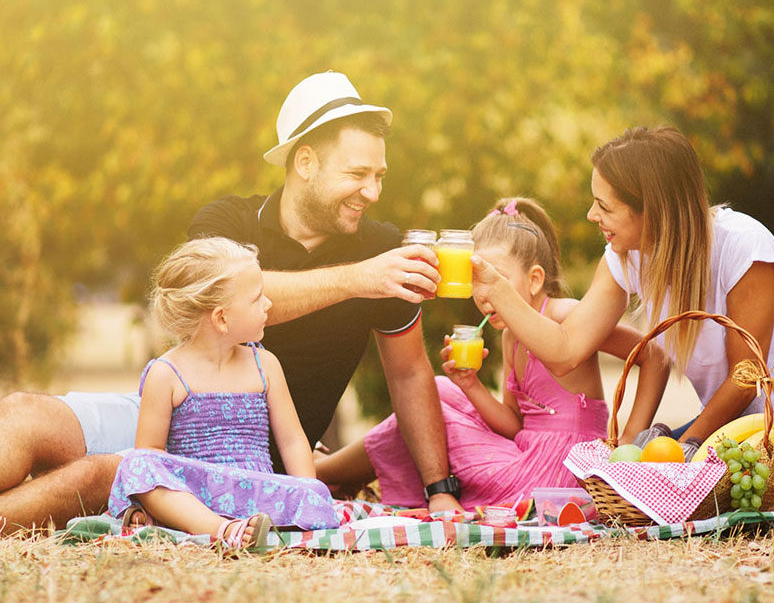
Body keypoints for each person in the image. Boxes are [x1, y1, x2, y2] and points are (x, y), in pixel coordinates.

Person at [0, 71, 459, 535]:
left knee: (98, 475)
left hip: (248, 455)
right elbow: (220, 297)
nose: (373, 192)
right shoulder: (228, 223)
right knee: (24, 412)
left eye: (378, 176)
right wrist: (359, 279)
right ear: (305, 163)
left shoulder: (379, 247)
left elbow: (409, 372)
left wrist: (439, 488)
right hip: (166, 412)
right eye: (357, 174)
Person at [315, 198, 669, 509]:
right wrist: (470, 385)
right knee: (440, 390)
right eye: (476, 281)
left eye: (495, 279)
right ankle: (332, 476)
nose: (483, 294)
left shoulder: (565, 315)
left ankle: (320, 472)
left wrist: (628, 442)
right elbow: (514, 425)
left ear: (533, 280)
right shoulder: (509, 336)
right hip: (524, 455)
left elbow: (654, 355)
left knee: (430, 398)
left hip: (562, 470)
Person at [471, 127, 774, 445]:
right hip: (724, 430)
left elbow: (746, 377)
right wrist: (630, 445)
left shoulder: (743, 248)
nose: (591, 215)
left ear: (653, 210)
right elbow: (566, 351)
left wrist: (684, 448)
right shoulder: (627, 257)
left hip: (761, 428)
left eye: (604, 206)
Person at [108, 238, 338, 547]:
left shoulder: (265, 365)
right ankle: (222, 529)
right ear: (221, 318)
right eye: (258, 298)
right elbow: (151, 457)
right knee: (137, 464)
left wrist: (308, 492)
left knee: (313, 491)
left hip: (257, 493)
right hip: (193, 496)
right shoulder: (166, 373)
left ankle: (240, 526)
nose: (268, 304)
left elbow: (294, 440)